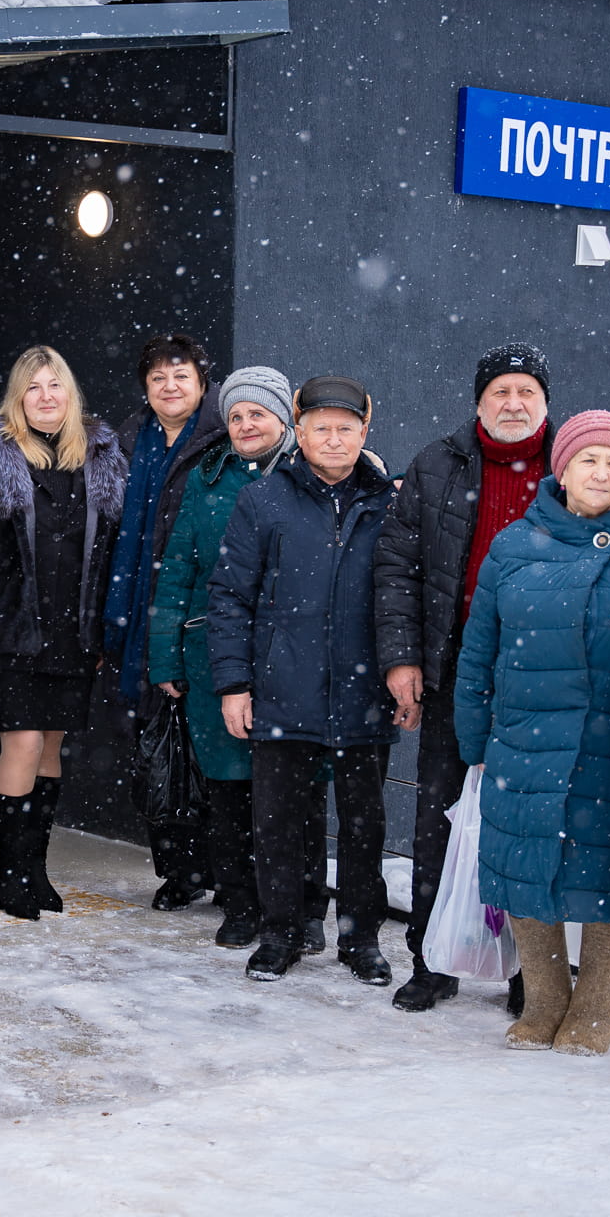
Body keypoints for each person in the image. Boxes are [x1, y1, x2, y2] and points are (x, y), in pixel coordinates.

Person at [454, 410, 610, 1055]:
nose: (601, 473)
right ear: (562, 469)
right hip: (524, 737)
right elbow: (479, 649)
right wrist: (474, 737)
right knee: (523, 863)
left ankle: (597, 1004)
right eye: (588, 460)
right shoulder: (514, 544)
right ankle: (546, 999)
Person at [374, 342, 553, 1013]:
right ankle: (434, 960)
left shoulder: (573, 465)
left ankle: (531, 973)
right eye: (500, 391)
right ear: (478, 402)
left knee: (534, 825)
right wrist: (403, 658)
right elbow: (398, 567)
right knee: (439, 821)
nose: (513, 403)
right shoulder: (437, 464)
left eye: (526, 391)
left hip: (545, 682)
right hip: (457, 675)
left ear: (545, 403)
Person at [208, 376, 398, 983]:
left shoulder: (389, 504)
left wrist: (403, 671)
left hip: (364, 693)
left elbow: (405, 596)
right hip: (282, 689)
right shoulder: (264, 499)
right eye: (321, 428)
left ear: (365, 432)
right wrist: (234, 684)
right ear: (300, 431)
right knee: (278, 822)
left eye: (346, 428)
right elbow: (230, 597)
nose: (333, 439)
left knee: (364, 826)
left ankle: (360, 940)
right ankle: (281, 933)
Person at [0, 347, 126, 920]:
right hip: (10, 626)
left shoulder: (101, 457)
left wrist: (102, 627)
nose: (46, 396)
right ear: (18, 398)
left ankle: (36, 868)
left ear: (70, 394)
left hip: (74, 631)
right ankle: (10, 871)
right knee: (22, 743)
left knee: (51, 746)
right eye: (33, 387)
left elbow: (107, 551)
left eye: (55, 385)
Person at [146, 366, 298, 949]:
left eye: (258, 413)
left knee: (290, 790)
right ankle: (239, 903)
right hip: (214, 653)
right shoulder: (207, 479)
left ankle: (299, 908)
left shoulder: (307, 474)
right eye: (235, 416)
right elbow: (177, 569)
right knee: (229, 787)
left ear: (283, 419)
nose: (245, 425)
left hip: (292, 657)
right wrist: (166, 658)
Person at [104, 334, 227, 911]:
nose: (170, 387)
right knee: (157, 746)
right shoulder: (128, 442)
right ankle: (179, 870)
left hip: (199, 607)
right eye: (158, 378)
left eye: (181, 376)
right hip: (139, 611)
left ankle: (227, 871)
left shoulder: (223, 439)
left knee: (211, 747)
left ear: (203, 383)